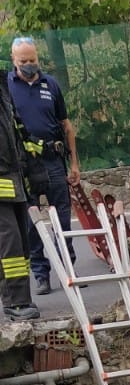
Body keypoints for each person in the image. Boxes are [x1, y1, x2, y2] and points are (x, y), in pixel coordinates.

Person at [8, 36, 80, 297]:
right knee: (32, 223)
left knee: (62, 218)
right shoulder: (6, 86)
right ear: (14, 60)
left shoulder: (51, 84)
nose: (29, 65)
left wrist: (74, 163)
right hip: (25, 165)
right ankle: (41, 275)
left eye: (33, 60)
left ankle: (69, 271)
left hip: (53, 160)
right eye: (23, 61)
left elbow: (66, 126)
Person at [0, 68, 40, 322]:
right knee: (10, 242)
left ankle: (20, 299)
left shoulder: (3, 87)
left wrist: (32, 171)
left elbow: (16, 132)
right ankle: (15, 302)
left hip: (13, 179)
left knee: (20, 244)